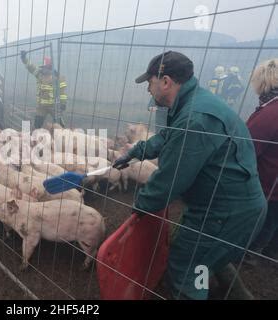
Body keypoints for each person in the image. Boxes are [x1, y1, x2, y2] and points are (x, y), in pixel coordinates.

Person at [113, 51, 267, 300]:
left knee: (186, 266)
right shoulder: (193, 103)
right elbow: (167, 137)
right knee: (209, 256)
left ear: (166, 81)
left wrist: (139, 208)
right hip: (227, 206)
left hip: (226, 212)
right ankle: (238, 295)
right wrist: (136, 152)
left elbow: (169, 180)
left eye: (150, 83)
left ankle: (195, 293)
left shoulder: (194, 119)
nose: (148, 90)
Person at [246, 58, 278, 261]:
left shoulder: (270, 113)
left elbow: (248, 147)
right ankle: (269, 252)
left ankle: (249, 254)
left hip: (268, 182)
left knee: (265, 219)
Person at [20, 50, 67, 129]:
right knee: (37, 124)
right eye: (44, 67)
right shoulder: (39, 74)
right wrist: (24, 58)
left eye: (46, 67)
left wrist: (63, 103)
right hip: (41, 107)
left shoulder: (57, 77)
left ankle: (61, 137)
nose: (44, 69)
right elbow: (30, 66)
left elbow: (62, 91)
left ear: (50, 67)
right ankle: (35, 138)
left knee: (60, 125)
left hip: (54, 106)